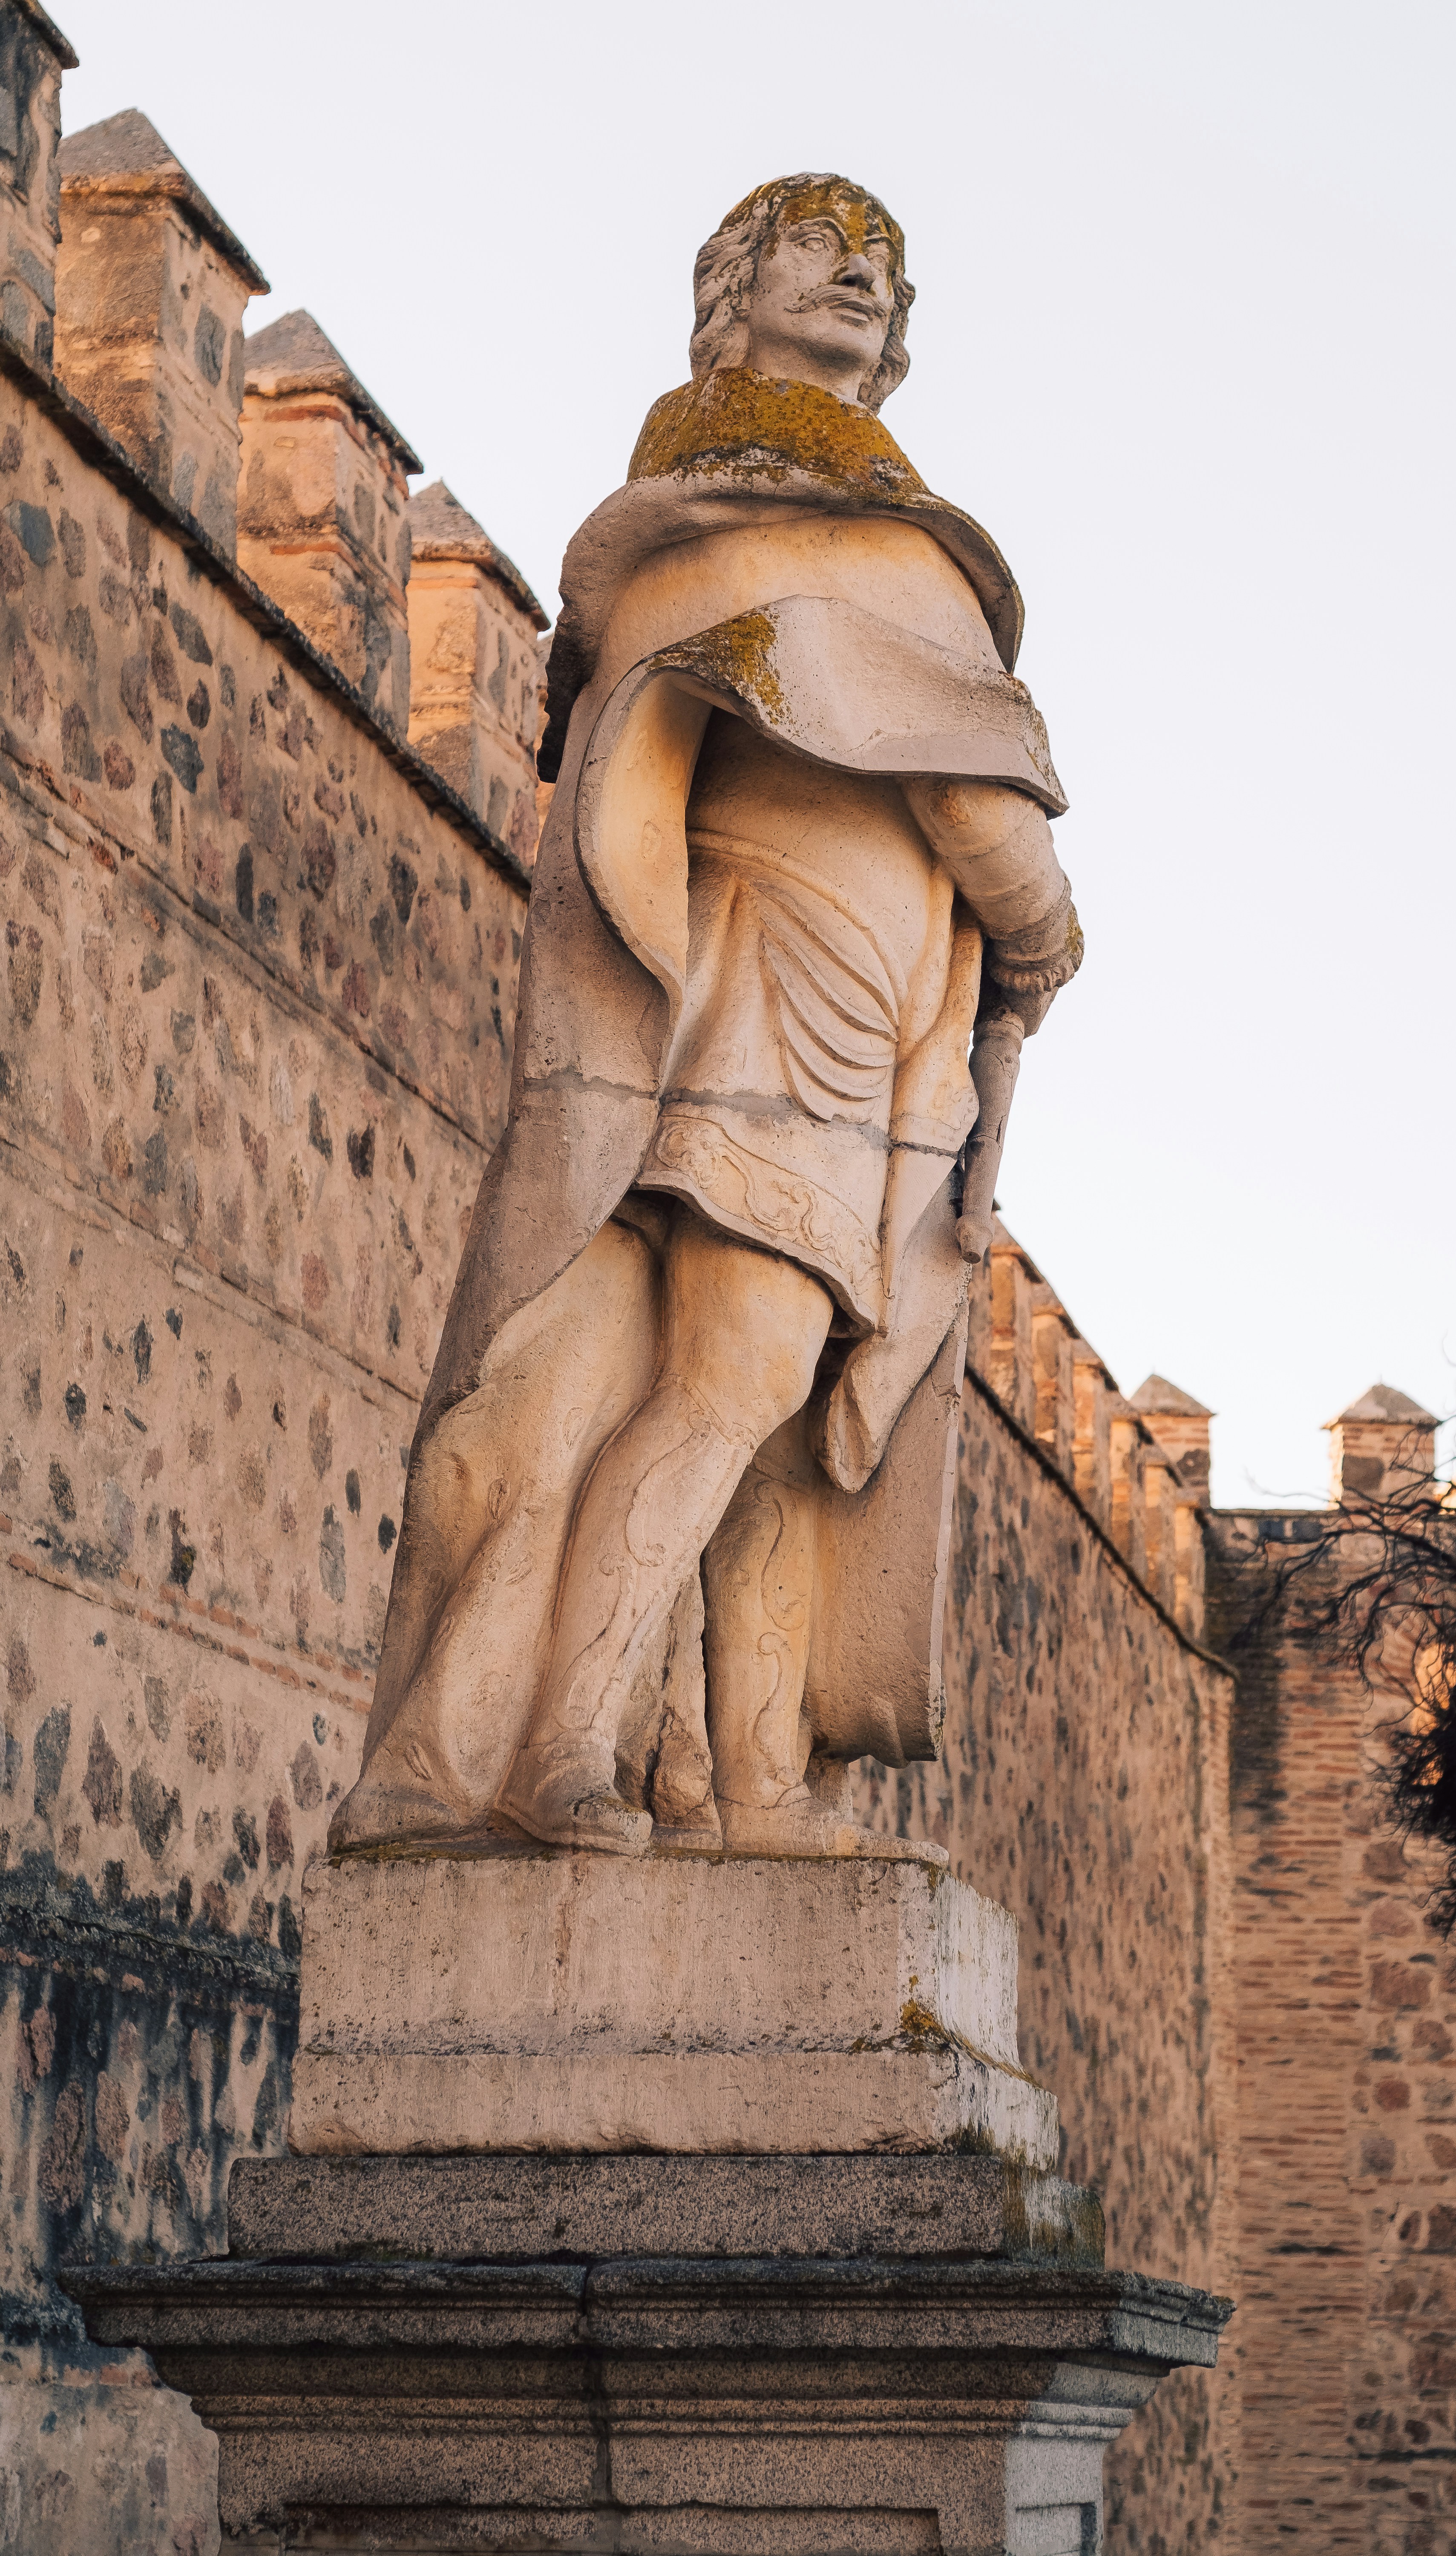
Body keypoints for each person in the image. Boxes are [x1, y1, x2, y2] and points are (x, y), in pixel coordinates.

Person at [328, 174, 1081, 1863]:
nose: (870, 279)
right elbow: (971, 805)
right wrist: (1045, 938)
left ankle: (720, 1779)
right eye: (828, 250)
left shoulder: (664, 538)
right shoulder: (863, 553)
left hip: (712, 1009)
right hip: (787, 1012)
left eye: (890, 264)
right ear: (735, 289)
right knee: (734, 1389)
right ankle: (565, 1750)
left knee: (680, 1402)